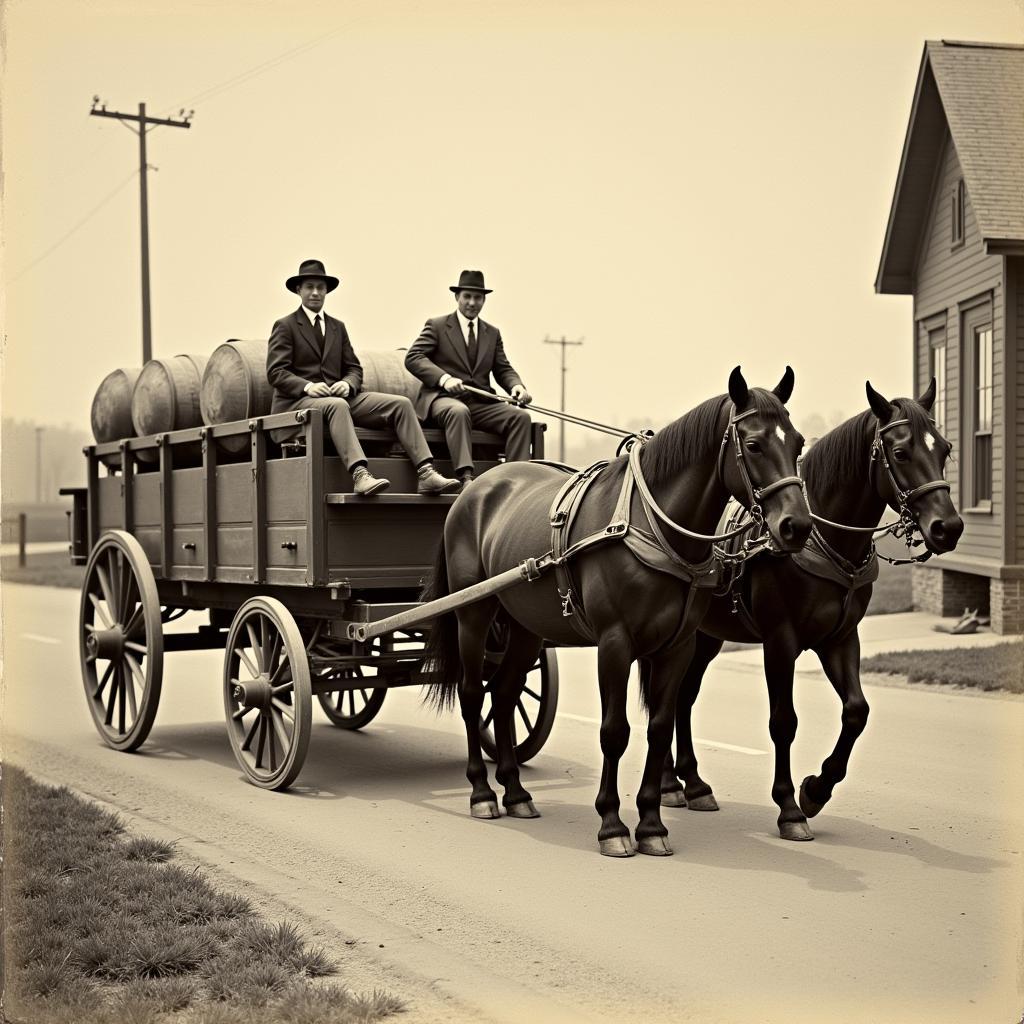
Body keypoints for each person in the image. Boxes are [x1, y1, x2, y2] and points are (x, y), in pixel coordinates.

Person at [267, 259, 459, 496]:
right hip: (297, 405)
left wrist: (348, 384)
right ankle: (360, 475)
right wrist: (307, 387)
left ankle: (426, 472)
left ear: (327, 291)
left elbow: (354, 368)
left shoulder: (338, 327)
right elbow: (276, 372)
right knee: (336, 405)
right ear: (299, 290)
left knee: (400, 404)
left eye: (320, 287)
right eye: (309, 286)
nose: (315, 292)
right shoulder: (285, 326)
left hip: (337, 399)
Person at [405, 270, 533, 488]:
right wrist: (444, 379)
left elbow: (503, 368)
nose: (472, 303)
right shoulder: (437, 326)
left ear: (484, 300)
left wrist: (517, 386)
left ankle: (516, 482)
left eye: (478, 298)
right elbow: (413, 357)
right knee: (458, 411)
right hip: (443, 399)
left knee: (520, 418)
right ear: (457, 297)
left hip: (480, 403)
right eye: (467, 296)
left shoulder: (492, 333)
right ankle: (466, 478)